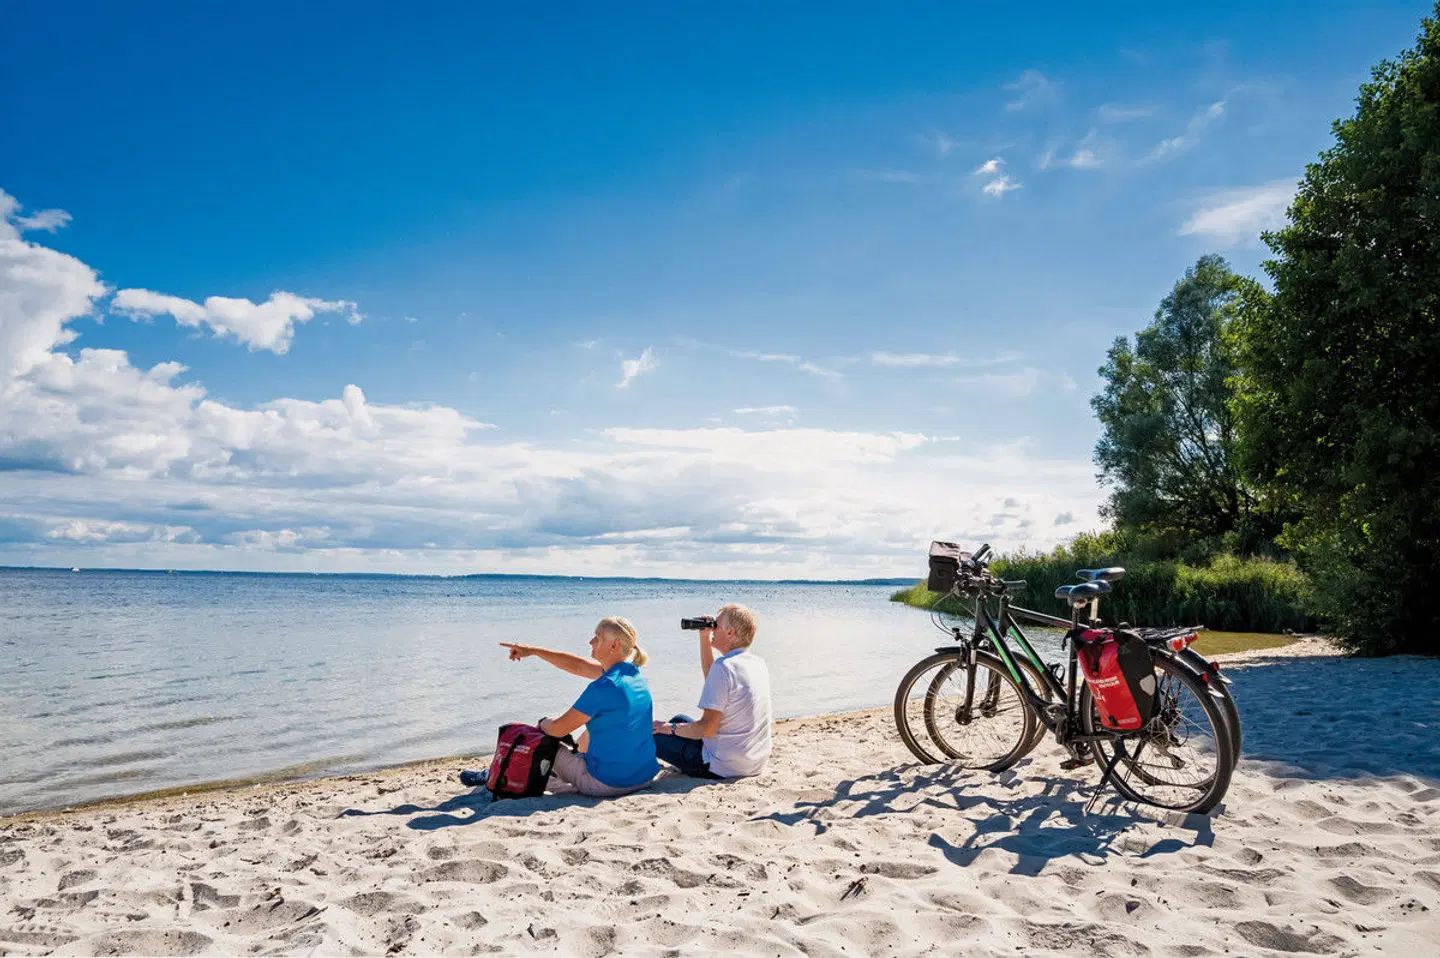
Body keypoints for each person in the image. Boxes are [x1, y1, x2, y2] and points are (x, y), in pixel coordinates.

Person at [459, 618, 659, 797]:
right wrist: (533, 651)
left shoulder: (603, 687)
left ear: (613, 646)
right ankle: (548, 771)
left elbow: (558, 730)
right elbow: (578, 666)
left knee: (539, 740)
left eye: (597, 638)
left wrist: (542, 723)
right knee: (595, 726)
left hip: (607, 784)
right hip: (643, 777)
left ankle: (495, 773)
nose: (591, 642)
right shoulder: (634, 674)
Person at [652, 603, 772, 780]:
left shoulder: (723, 667)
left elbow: (707, 729)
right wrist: (704, 637)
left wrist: (670, 729)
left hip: (722, 766)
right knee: (679, 719)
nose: (713, 627)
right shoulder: (756, 662)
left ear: (730, 632)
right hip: (753, 762)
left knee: (652, 733)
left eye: (717, 625)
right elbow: (713, 680)